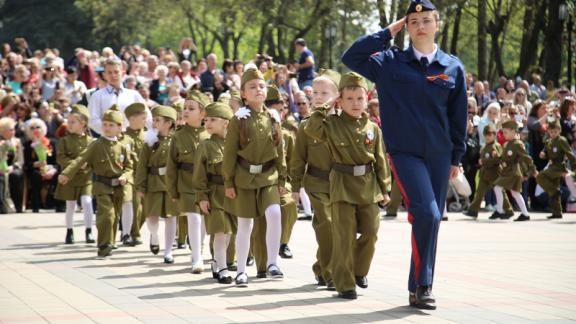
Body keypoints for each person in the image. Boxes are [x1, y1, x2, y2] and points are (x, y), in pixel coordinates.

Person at [341, 0, 468, 309]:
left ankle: (419, 287)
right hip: (405, 152)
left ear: (437, 24)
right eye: (413, 21)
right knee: (428, 213)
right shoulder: (389, 62)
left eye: (427, 20)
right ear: (407, 27)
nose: (420, 25)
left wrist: (456, 157)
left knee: (432, 221)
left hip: (440, 154)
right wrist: (388, 31)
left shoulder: (452, 67)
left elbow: (458, 115)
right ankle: (423, 284)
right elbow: (351, 56)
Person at [304, 72, 391, 300]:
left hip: (368, 186)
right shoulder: (331, 124)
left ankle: (360, 271)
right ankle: (345, 284)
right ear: (340, 101)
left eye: (360, 99)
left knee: (371, 231)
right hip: (342, 185)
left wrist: (385, 189)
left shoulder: (372, 128)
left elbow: (380, 160)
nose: (355, 104)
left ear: (367, 99)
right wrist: (325, 107)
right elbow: (311, 129)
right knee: (344, 236)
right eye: (349, 99)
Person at [222, 68, 286, 287]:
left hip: (269, 175)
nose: (258, 90)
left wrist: (282, 179)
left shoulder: (273, 117)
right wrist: (228, 181)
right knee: (245, 224)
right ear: (243, 93)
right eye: (252, 87)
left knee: (275, 213)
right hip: (244, 177)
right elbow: (229, 154)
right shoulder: (238, 120)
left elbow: (280, 150)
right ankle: (241, 271)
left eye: (261, 86)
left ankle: (272, 263)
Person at [58, 105, 133, 258]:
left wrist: (126, 176)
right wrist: (66, 173)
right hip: (101, 185)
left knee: (115, 216)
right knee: (107, 214)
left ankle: (110, 242)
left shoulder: (122, 148)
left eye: (111, 125)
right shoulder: (96, 144)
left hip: (118, 187)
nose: (107, 128)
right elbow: (80, 159)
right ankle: (103, 245)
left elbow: (129, 167)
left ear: (120, 127)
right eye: (104, 124)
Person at [290, 69, 340, 288]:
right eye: (316, 92)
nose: (318, 97)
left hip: (341, 184)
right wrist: (295, 187)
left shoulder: (343, 123)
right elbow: (298, 159)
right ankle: (330, 274)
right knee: (327, 224)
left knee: (336, 228)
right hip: (316, 183)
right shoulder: (305, 125)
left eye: (325, 93)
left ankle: (320, 266)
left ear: (337, 96)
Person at [166, 90, 210, 272]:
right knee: (194, 218)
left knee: (204, 222)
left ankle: (200, 248)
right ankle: (196, 258)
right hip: (186, 184)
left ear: (203, 113)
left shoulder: (209, 134)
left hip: (207, 185)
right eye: (184, 108)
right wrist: (173, 190)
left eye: (191, 108)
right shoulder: (177, 136)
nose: (185, 111)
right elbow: (171, 167)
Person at [193, 102, 236, 283]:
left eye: (213, 120)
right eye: (206, 120)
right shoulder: (205, 145)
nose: (208, 124)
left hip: (233, 195)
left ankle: (217, 263)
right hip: (214, 193)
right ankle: (224, 268)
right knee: (219, 232)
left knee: (229, 233)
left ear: (226, 123)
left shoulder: (236, 144)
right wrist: (202, 197)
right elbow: (198, 175)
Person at [135, 106, 179, 263]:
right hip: (153, 182)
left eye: (157, 120)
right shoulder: (149, 140)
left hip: (171, 183)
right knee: (151, 218)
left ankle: (168, 251)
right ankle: (154, 236)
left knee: (171, 217)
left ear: (169, 123)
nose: (153, 123)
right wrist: (140, 185)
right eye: (153, 119)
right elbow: (142, 165)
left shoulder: (177, 140)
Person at [54, 105, 95, 244]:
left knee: (87, 202)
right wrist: (76, 164)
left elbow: (94, 159)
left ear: (83, 123)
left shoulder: (91, 141)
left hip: (85, 177)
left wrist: (87, 164)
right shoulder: (64, 140)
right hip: (69, 177)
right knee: (70, 205)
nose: (69, 124)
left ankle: (89, 231)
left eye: (73, 122)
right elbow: (60, 158)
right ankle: (69, 231)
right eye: (68, 121)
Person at [88, 58, 150, 136]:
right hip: (108, 141)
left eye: (116, 72)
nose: (113, 75)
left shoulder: (133, 95)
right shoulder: (97, 96)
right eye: (109, 72)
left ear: (123, 73)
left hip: (131, 139)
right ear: (104, 75)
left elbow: (147, 117)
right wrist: (111, 131)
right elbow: (92, 120)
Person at [463, 124, 514, 218]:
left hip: (495, 173)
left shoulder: (496, 146)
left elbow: (499, 159)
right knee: (479, 192)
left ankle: (508, 210)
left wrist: (484, 161)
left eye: (490, 135)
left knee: (500, 192)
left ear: (495, 135)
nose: (487, 137)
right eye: (485, 135)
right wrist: (481, 161)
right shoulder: (485, 146)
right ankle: (473, 210)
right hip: (485, 174)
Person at [492, 120, 538, 221]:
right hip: (509, 171)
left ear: (513, 132)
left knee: (497, 187)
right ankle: (525, 214)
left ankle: (500, 211)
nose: (504, 135)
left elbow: (526, 157)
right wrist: (496, 156)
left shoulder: (517, 144)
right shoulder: (507, 144)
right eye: (503, 132)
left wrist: (533, 169)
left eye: (506, 132)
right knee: (515, 193)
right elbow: (503, 158)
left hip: (513, 172)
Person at [536, 120, 576, 219]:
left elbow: (569, 154)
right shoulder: (549, 141)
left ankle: (555, 191)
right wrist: (543, 154)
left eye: (555, 131)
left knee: (540, 176)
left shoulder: (561, 140)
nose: (553, 134)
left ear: (559, 131)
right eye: (551, 132)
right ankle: (557, 212)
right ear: (548, 132)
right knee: (553, 186)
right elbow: (545, 151)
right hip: (552, 166)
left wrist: (574, 168)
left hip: (559, 167)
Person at [123, 103, 147, 245]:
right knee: (136, 205)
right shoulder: (125, 137)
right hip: (133, 175)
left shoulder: (147, 134)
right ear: (132, 119)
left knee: (147, 208)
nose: (145, 120)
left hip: (147, 175)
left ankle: (132, 230)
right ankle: (134, 234)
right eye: (142, 118)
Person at [0, 117, 24, 213]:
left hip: (13, 167)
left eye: (13, 129)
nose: (13, 131)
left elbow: (20, 160)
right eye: (10, 130)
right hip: (1, 169)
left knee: (16, 175)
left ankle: (17, 206)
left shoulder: (17, 142)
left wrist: (12, 167)